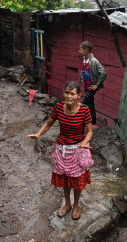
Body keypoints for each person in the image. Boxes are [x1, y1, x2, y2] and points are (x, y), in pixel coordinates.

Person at [27, 81, 94, 220]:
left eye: (72, 93)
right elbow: (49, 124)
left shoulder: (84, 110)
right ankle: (67, 204)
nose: (68, 96)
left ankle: (76, 205)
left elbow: (90, 131)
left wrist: (84, 143)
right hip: (62, 149)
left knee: (77, 180)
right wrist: (39, 133)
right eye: (66, 93)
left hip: (78, 149)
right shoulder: (58, 107)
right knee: (64, 179)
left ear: (79, 96)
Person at [79, 41, 107, 128]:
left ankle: (78, 124)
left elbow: (103, 73)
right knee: (91, 104)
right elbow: (83, 72)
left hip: (92, 87)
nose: (79, 51)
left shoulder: (94, 61)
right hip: (86, 86)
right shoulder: (83, 59)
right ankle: (93, 123)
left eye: (80, 49)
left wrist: (97, 85)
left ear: (86, 50)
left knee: (83, 105)